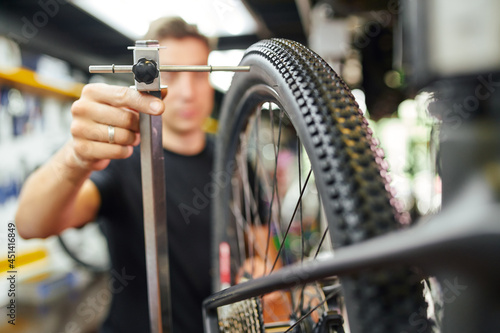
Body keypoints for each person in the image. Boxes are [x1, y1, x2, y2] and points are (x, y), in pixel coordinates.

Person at [15, 17, 215, 332]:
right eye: (172, 74)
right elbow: (29, 223)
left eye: (199, 72)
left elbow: (259, 245)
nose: (188, 91)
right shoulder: (122, 158)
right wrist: (75, 156)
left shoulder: (235, 155)